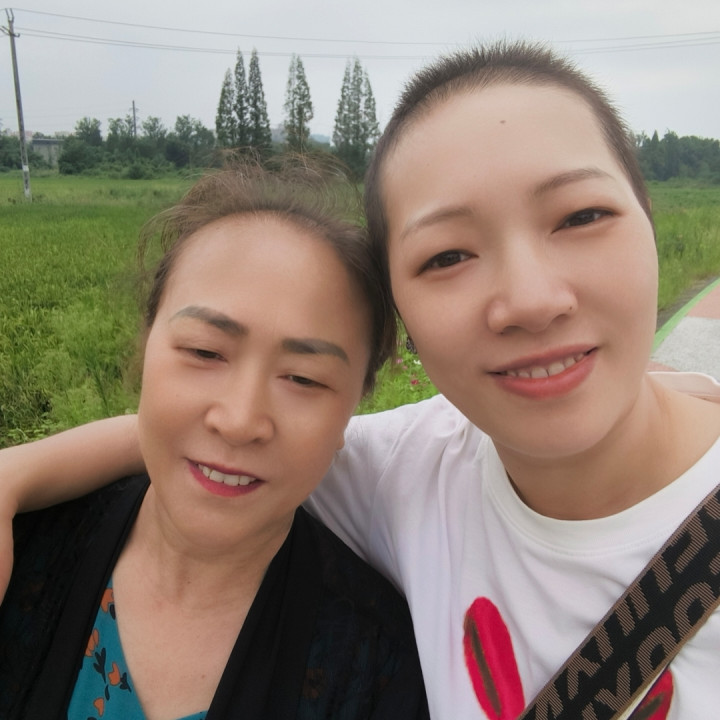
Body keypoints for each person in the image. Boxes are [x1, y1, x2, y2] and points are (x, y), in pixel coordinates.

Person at [2, 40, 720, 719]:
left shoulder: (362, 650)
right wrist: (16, 477)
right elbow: (207, 442)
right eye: (448, 256)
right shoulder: (407, 473)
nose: (531, 300)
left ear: (652, 217)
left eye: (582, 215)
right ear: (404, 320)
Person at [0, 161, 429, 719]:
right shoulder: (22, 547)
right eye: (205, 352)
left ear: (353, 408)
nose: (239, 420)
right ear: (145, 345)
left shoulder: (377, 668)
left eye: (304, 379)